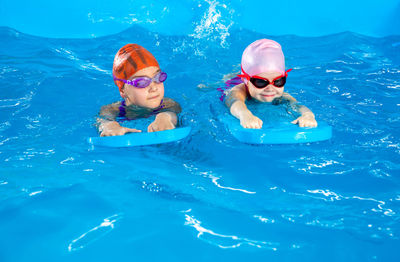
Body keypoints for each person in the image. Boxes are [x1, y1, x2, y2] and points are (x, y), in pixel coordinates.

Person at [224, 39, 317, 129]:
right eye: (260, 82)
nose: (270, 88)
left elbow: (297, 105)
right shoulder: (238, 91)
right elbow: (234, 102)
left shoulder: (281, 95)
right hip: (232, 82)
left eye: (278, 81)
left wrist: (308, 115)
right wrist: (245, 115)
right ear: (246, 81)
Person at [97, 44, 181, 136]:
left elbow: (172, 112)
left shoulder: (168, 104)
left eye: (158, 77)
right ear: (123, 91)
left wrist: (164, 118)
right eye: (141, 82)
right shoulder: (114, 109)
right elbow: (103, 121)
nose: (154, 88)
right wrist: (110, 126)